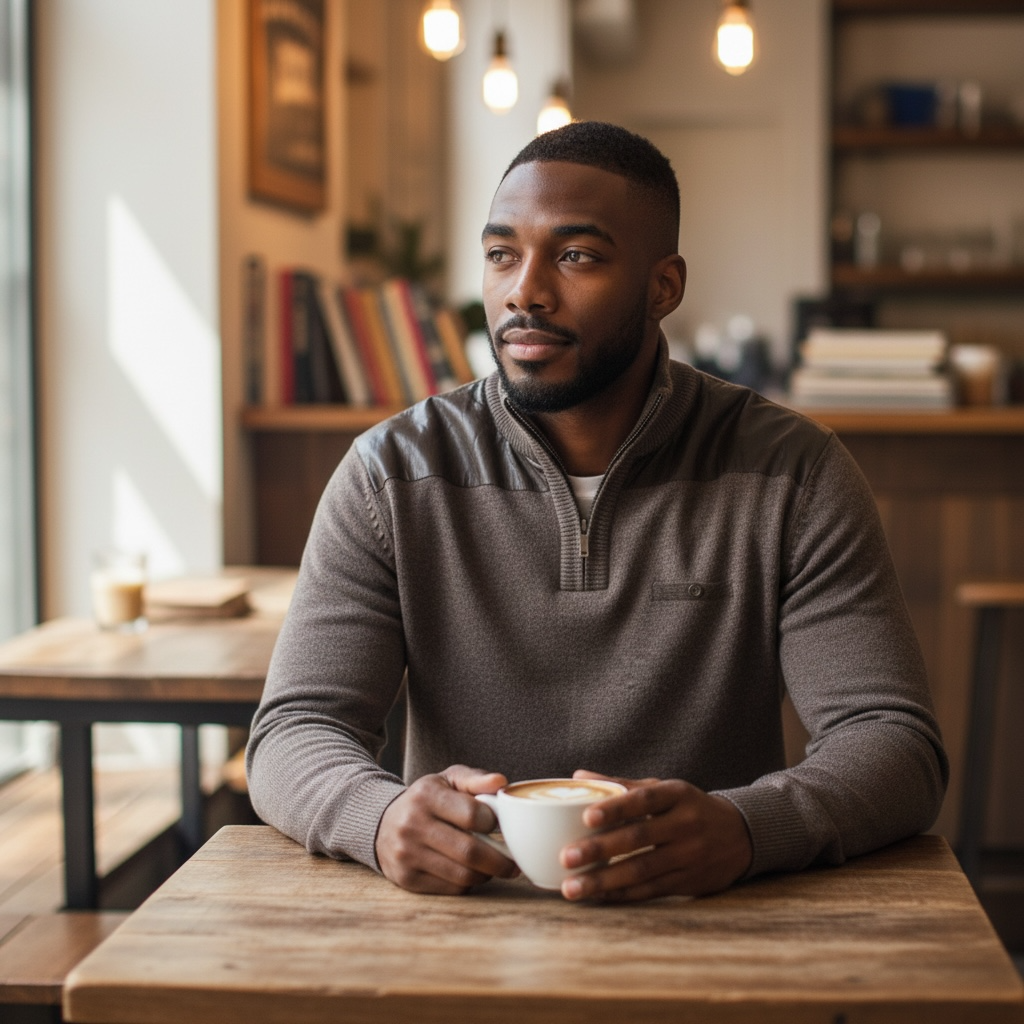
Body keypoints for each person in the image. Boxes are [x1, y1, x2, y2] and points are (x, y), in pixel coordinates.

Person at [247, 121, 947, 903]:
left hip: (713, 923)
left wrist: (747, 830)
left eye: (575, 256)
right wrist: (376, 819)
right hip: (458, 928)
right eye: (502, 255)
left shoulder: (794, 473)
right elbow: (291, 734)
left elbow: (894, 744)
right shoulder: (390, 475)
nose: (525, 291)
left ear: (663, 287)